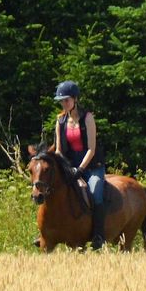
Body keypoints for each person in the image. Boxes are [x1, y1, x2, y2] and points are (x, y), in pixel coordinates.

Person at [54, 80, 106, 249]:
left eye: (66, 100)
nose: (64, 104)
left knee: (95, 192)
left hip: (91, 166)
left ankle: (98, 235)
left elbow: (91, 149)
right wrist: (66, 168)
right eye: (61, 101)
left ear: (75, 99)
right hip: (70, 166)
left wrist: (80, 169)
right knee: (52, 189)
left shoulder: (88, 118)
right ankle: (47, 232)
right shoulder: (60, 121)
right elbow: (59, 150)